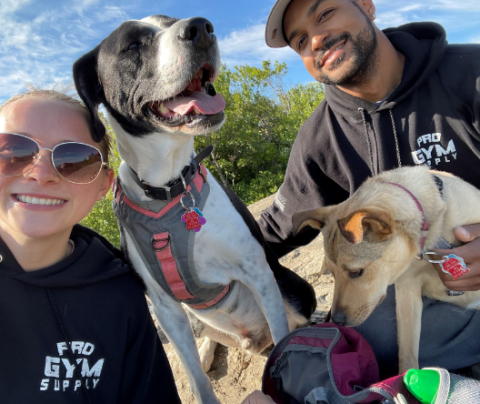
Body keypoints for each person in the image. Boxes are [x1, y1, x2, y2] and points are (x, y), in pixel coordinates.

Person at [243, 0, 480, 401]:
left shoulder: (468, 73)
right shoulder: (320, 137)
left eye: (324, 14)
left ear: (367, 6)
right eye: (300, 40)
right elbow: (270, 232)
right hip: (426, 297)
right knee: (359, 335)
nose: (316, 39)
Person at [0, 87, 181, 403]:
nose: (41, 174)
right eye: (14, 150)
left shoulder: (119, 295)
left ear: (104, 185)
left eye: (74, 159)